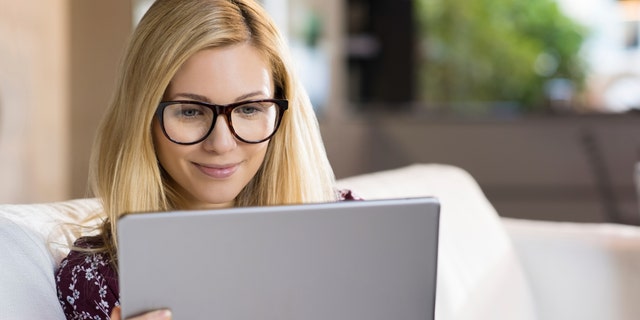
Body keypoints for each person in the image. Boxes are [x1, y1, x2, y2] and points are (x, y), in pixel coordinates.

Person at [55, 0, 357, 319]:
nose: (221, 143)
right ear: (142, 116)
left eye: (249, 109)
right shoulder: (97, 279)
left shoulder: (351, 231)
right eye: (190, 111)